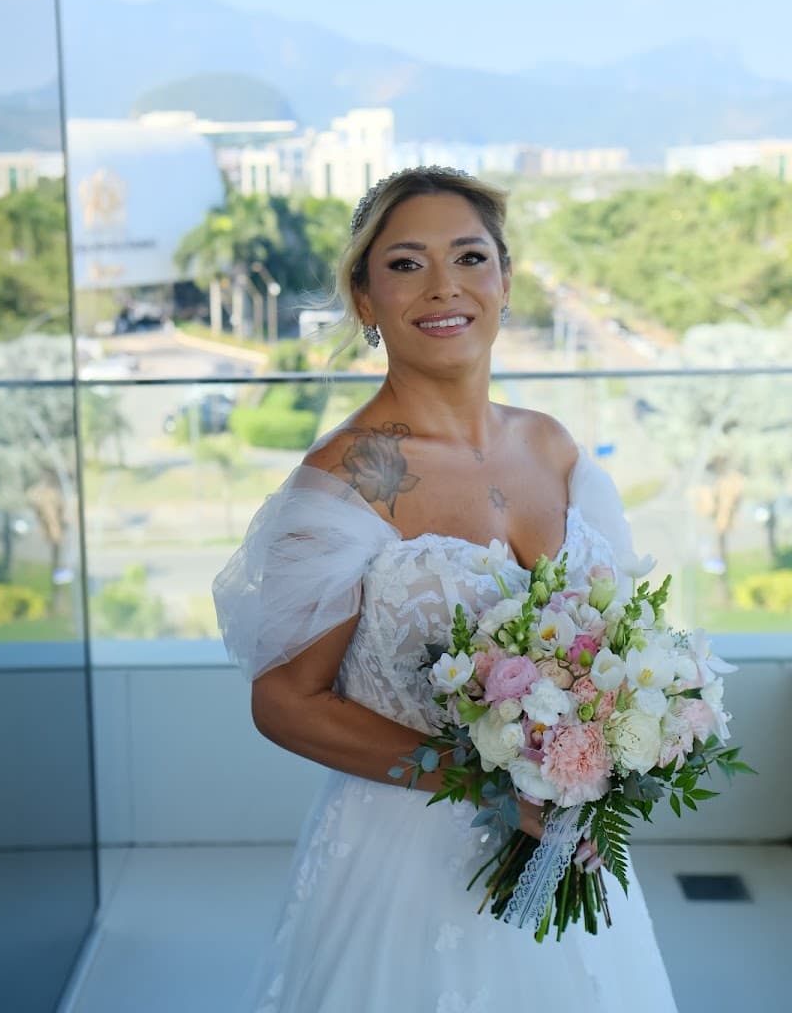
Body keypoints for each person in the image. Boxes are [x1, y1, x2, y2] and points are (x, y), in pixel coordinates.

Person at [213, 166, 679, 1013]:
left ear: (504, 279)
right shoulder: (347, 477)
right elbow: (284, 701)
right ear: (363, 298)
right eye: (404, 264)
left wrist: (615, 743)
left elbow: (616, 643)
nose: (443, 288)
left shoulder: (555, 449)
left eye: (469, 257)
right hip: (405, 867)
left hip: (567, 847)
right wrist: (484, 776)